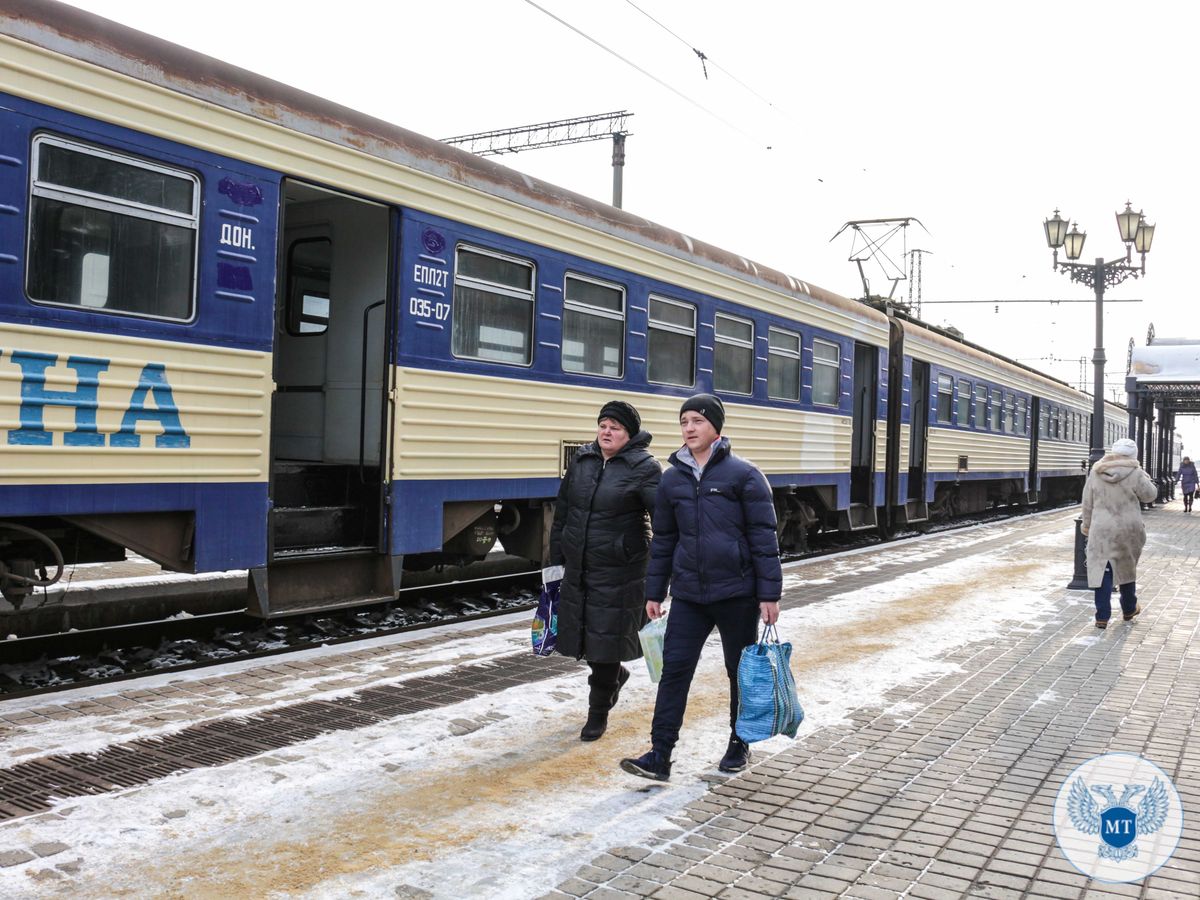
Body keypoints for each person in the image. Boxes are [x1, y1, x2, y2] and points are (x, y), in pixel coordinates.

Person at [620, 393, 782, 781]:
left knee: (737, 671)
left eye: (697, 421)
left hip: (736, 594)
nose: (689, 428)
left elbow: (764, 538)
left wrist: (769, 594)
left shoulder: (744, 475)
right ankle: (660, 755)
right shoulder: (672, 478)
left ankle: (739, 742)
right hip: (690, 595)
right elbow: (663, 540)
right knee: (674, 671)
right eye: (684, 422)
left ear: (716, 428)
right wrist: (654, 592)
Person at [549, 400, 661, 741]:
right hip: (580, 567)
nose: (607, 432)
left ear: (629, 435)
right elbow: (563, 513)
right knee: (587, 637)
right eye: (603, 425)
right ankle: (615, 676)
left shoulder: (645, 468)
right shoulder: (582, 462)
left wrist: (658, 570)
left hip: (620, 572)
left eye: (615, 427)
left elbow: (664, 522)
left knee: (606, 643)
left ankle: (597, 714)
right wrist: (556, 561)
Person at [1081, 437, 1158, 629]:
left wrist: (1087, 525)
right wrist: (1146, 479)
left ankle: (1102, 616)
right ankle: (1129, 608)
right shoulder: (1136, 472)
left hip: (1101, 528)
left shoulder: (1097, 471)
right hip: (1128, 529)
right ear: (1134, 454)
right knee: (1126, 567)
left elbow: (1087, 501)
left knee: (1102, 570)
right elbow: (1150, 496)